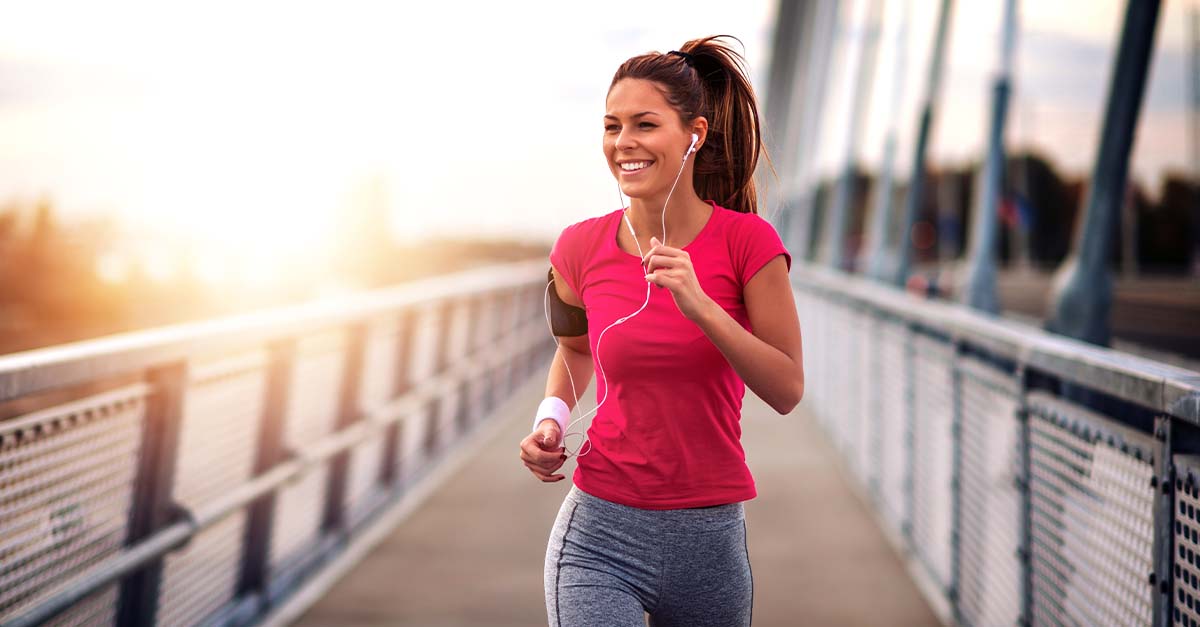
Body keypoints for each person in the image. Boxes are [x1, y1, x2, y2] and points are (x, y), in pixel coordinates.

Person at [518, 35, 804, 627]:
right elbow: (574, 351)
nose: (624, 143)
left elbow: (786, 389)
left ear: (693, 134)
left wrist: (702, 306)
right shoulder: (579, 246)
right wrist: (549, 417)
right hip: (600, 533)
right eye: (612, 125)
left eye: (644, 124)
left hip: (710, 540)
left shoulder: (750, 244)